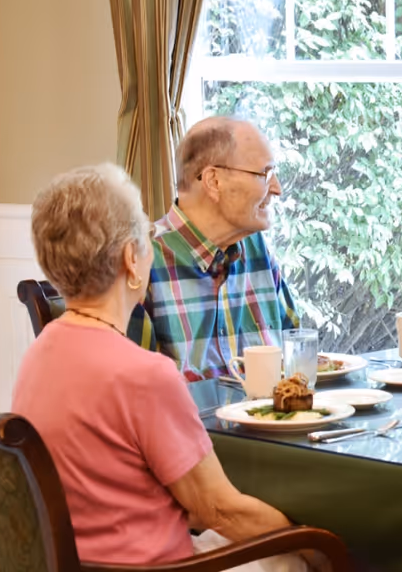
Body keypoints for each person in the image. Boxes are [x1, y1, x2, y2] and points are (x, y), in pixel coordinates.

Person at [14, 164, 322, 571]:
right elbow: (220, 510)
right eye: (147, 235)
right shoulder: (145, 374)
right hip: (158, 565)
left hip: (81, 561)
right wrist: (321, 547)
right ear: (131, 259)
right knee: (301, 556)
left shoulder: (37, 354)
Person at [128, 116, 299, 382]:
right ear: (213, 181)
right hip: (189, 424)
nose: (276, 189)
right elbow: (131, 394)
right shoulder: (141, 261)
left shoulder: (256, 250)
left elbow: (297, 353)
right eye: (265, 174)